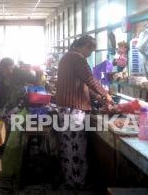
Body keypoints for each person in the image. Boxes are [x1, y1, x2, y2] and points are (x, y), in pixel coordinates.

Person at [56, 35, 114, 189]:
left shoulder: (68, 57)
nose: (91, 53)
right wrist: (105, 94)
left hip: (67, 107)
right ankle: (75, 182)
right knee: (74, 146)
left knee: (69, 144)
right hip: (72, 109)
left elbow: (83, 86)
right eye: (91, 50)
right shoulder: (77, 58)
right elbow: (90, 79)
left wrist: (99, 98)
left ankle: (72, 179)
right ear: (86, 46)